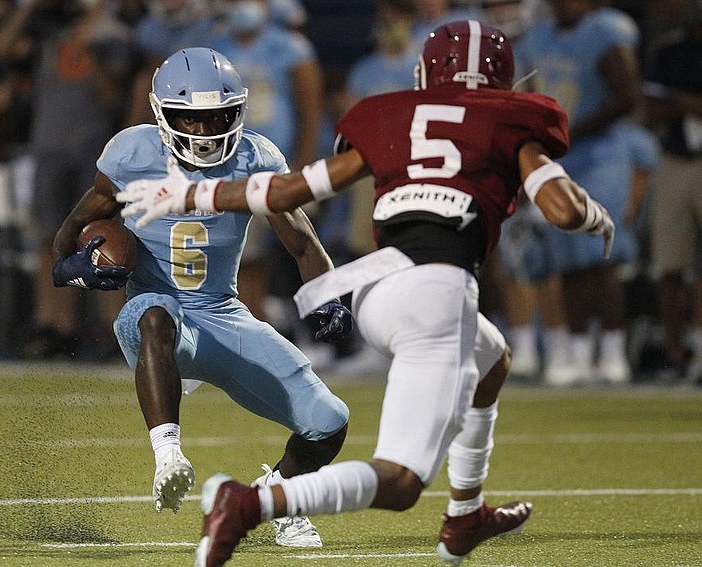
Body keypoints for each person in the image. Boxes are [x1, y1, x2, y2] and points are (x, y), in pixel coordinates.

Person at [115, 21, 615, 566]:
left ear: (425, 73)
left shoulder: (388, 112)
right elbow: (563, 210)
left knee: (491, 361)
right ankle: (253, 503)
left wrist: (192, 191)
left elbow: (286, 190)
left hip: (377, 282)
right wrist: (595, 217)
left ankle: (466, 511)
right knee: (400, 482)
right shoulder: (514, 118)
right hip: (436, 290)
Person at [49, 47, 352, 548]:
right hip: (155, 318)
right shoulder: (132, 154)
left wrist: (329, 297)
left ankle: (275, 497)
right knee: (155, 313)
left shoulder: (257, 157)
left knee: (329, 422)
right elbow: (69, 235)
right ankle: (169, 454)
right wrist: (75, 268)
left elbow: (302, 241)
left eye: (218, 118)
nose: (207, 132)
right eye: (193, 119)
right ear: (162, 113)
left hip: (222, 316)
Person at [0, 0, 135, 360]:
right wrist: (25, 8)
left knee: (102, 237)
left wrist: (91, 50)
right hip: (48, 146)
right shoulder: (47, 28)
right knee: (47, 238)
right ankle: (54, 325)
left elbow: (114, 96)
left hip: (94, 150)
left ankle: (113, 328)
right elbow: (2, 50)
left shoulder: (114, 36)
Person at [514, 0, 641, 385]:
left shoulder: (605, 32)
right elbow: (530, 91)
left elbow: (626, 97)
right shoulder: (539, 36)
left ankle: (614, 352)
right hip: (562, 157)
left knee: (601, 257)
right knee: (566, 258)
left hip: (600, 155)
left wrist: (568, 133)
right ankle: (579, 351)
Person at [642, 0, 702, 385]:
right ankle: (675, 354)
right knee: (670, 265)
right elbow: (649, 109)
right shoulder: (670, 50)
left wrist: (682, 101)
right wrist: (684, 103)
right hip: (676, 159)